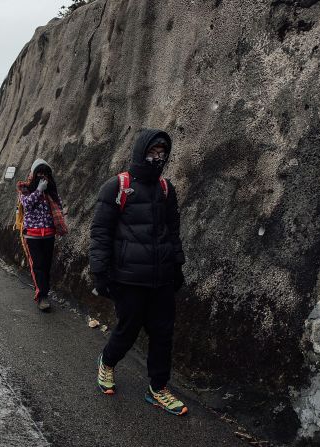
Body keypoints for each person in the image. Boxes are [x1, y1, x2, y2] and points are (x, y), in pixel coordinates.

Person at [89, 128, 188, 416]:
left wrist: (177, 266)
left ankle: (158, 388)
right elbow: (100, 232)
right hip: (128, 277)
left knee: (163, 333)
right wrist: (100, 273)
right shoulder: (117, 187)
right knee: (128, 329)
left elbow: (173, 232)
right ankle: (107, 362)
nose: (157, 158)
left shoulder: (166, 189)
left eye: (162, 153)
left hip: (162, 278)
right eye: (152, 152)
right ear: (139, 152)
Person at [16, 159, 67, 311]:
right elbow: (27, 205)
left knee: (46, 266)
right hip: (32, 235)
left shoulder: (51, 192)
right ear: (33, 174)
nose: (42, 177)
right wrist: (38, 190)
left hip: (49, 234)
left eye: (45, 174)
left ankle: (45, 292)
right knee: (37, 266)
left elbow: (59, 205)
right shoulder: (24, 188)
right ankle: (42, 296)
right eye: (39, 174)